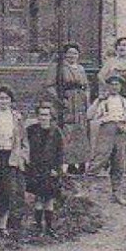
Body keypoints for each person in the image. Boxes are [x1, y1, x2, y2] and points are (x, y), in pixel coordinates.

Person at [0, 86, 29, 234]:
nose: (4, 101)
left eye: (6, 98)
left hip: (11, 157)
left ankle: (2, 226)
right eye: (1, 98)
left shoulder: (16, 117)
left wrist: (22, 157)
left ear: (10, 100)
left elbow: (23, 140)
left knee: (8, 191)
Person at [87, 73, 126, 205]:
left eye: (117, 84)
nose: (114, 87)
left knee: (119, 162)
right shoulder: (103, 100)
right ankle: (86, 190)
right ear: (108, 86)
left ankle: (117, 193)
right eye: (112, 84)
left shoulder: (124, 101)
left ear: (121, 86)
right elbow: (89, 115)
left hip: (120, 131)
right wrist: (98, 101)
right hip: (106, 130)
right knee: (99, 160)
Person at [44, 43, 92, 173]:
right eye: (69, 53)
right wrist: (60, 100)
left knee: (80, 131)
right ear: (65, 54)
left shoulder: (81, 69)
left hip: (80, 104)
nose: (72, 56)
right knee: (67, 131)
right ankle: (67, 163)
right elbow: (49, 86)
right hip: (66, 102)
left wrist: (86, 100)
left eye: (75, 53)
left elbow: (86, 86)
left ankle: (80, 161)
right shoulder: (58, 68)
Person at [25, 102, 67, 232]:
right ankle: (38, 226)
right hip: (35, 169)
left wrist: (57, 169)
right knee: (38, 198)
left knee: (49, 199)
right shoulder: (31, 130)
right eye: (41, 115)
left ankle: (49, 227)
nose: (43, 118)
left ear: (51, 116)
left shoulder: (56, 132)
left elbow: (60, 152)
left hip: (50, 169)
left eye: (46, 115)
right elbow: (25, 147)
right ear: (37, 116)